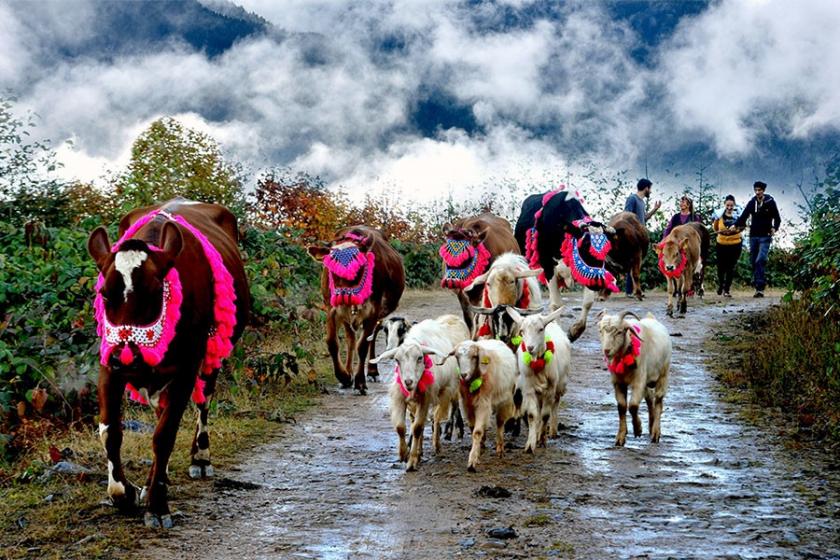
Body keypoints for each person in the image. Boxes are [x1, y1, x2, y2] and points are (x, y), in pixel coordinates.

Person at [735, 181, 782, 298]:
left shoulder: (770, 202)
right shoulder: (752, 203)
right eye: (756, 190)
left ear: (763, 191)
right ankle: (757, 286)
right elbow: (744, 216)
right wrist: (735, 225)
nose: (757, 192)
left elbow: (777, 218)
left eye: (759, 190)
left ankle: (760, 287)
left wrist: (774, 228)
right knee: (753, 261)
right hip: (753, 236)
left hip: (765, 236)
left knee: (760, 259)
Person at [622, 178, 661, 296]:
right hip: (632, 237)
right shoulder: (632, 199)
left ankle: (634, 290)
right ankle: (629, 291)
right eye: (650, 189)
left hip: (641, 237)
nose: (651, 191)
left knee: (637, 263)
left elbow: (644, 218)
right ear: (646, 188)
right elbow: (626, 216)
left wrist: (655, 209)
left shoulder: (642, 202)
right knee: (632, 262)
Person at [713, 194, 742, 297]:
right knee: (721, 267)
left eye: (731, 206)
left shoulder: (739, 215)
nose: (729, 208)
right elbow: (715, 228)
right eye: (727, 206)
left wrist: (734, 231)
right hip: (721, 244)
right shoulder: (719, 215)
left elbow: (742, 227)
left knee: (730, 267)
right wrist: (723, 232)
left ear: (734, 205)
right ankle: (721, 285)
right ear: (725, 205)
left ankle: (727, 290)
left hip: (735, 244)